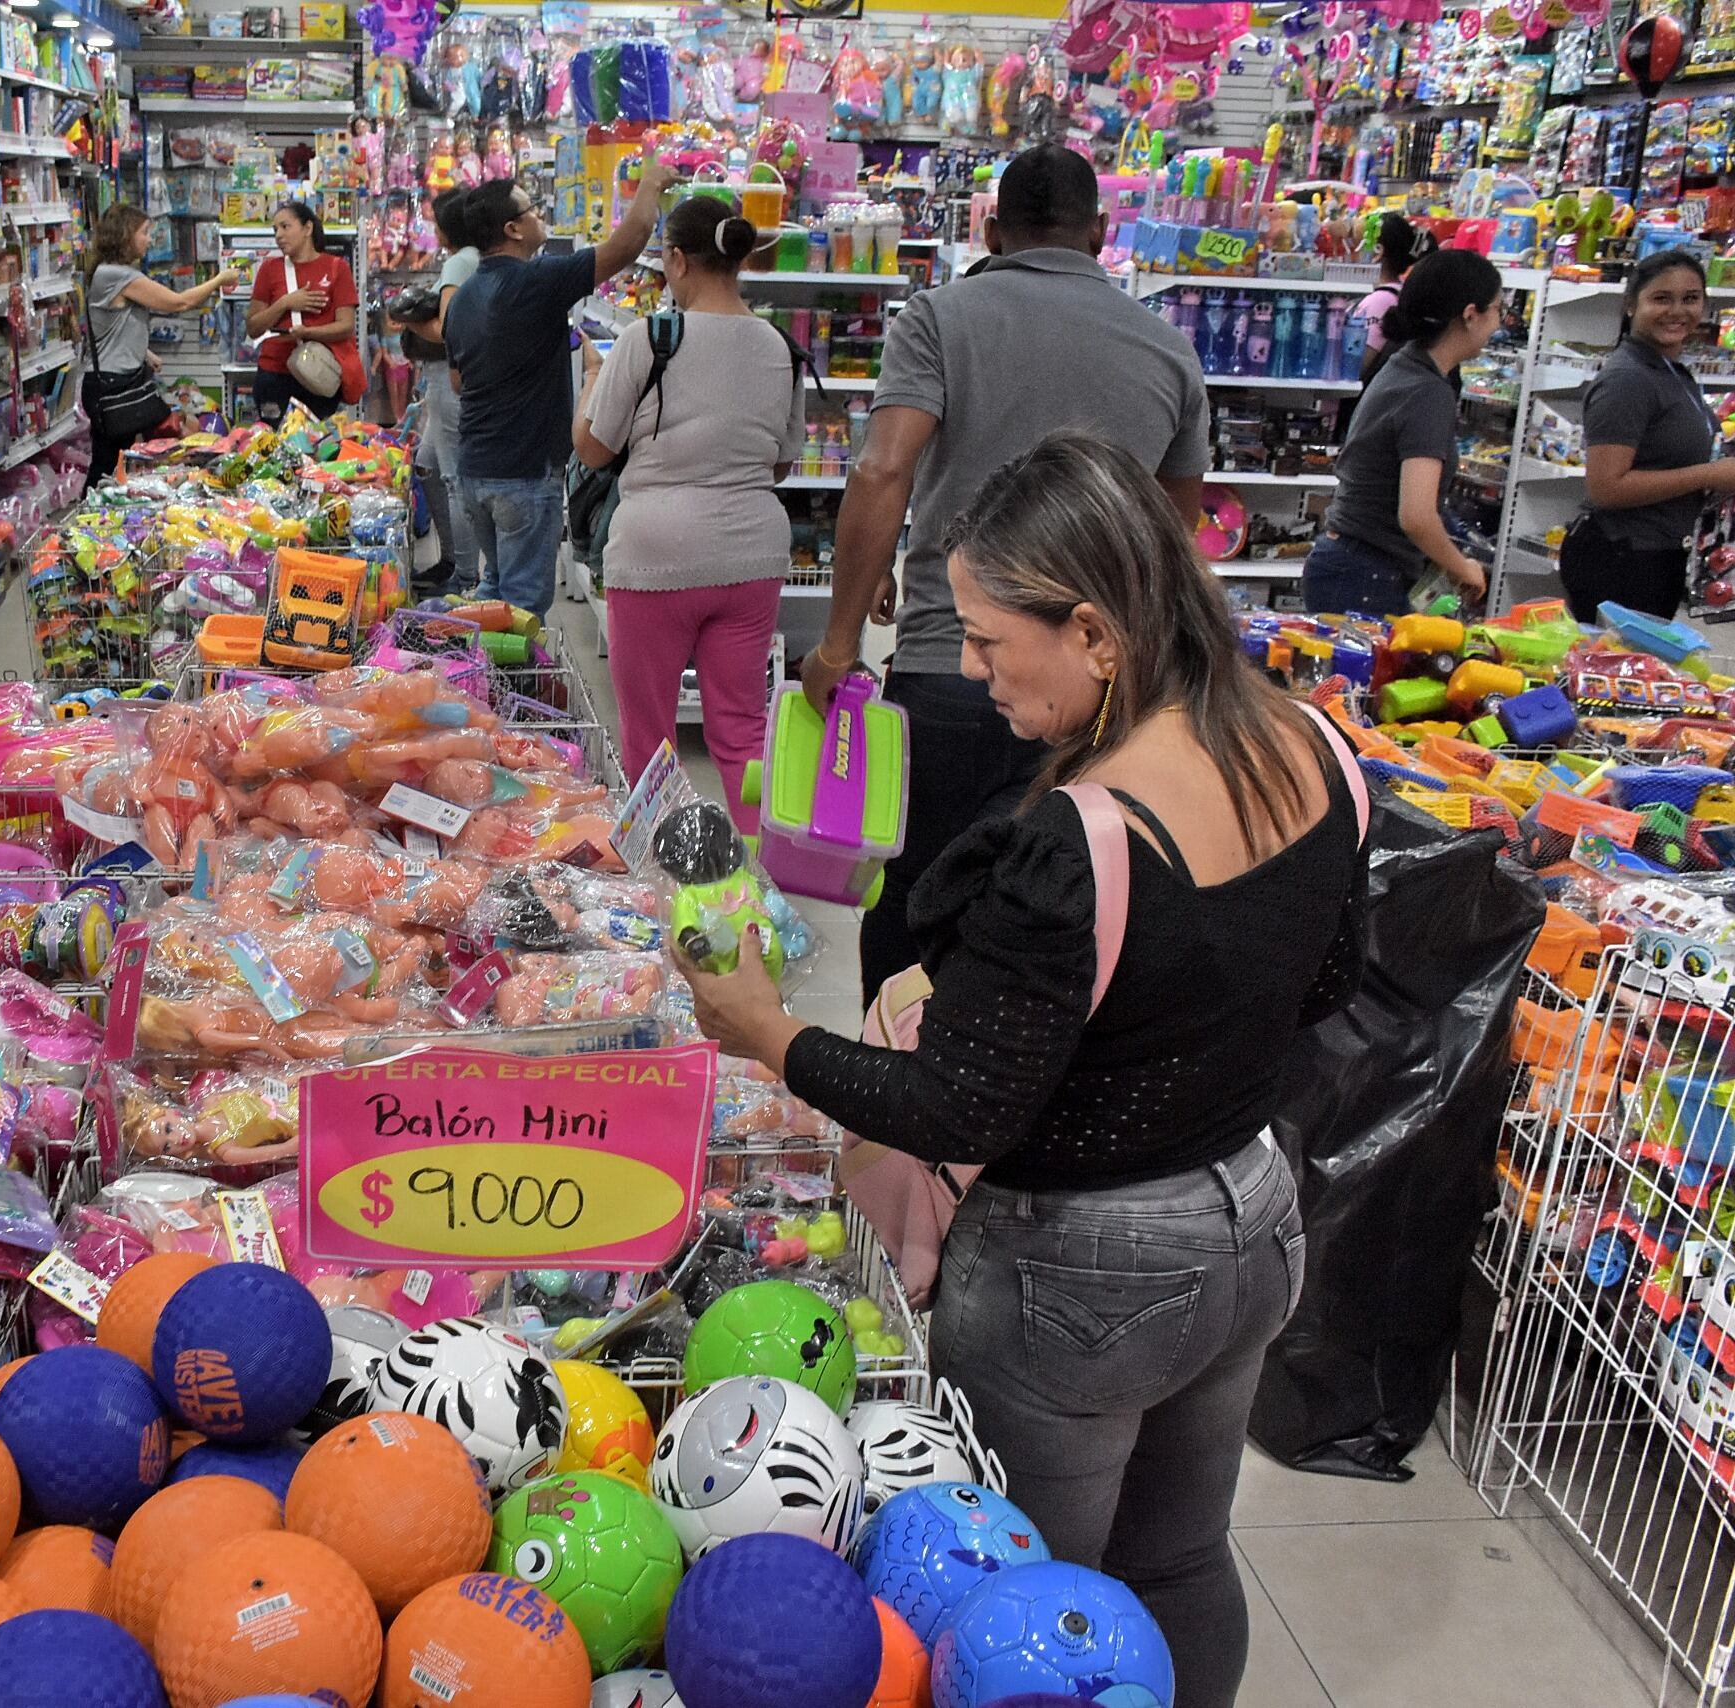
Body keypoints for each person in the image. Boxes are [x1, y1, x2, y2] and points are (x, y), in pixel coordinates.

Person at [679, 432, 1365, 1708]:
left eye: (992, 639)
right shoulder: (1314, 744)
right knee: (1181, 1555)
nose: (967, 667)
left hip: (1080, 1273)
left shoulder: (1080, 837)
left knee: (1020, 1598)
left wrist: (770, 1031)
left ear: (1096, 634)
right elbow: (1321, 983)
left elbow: (956, 1109)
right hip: (1253, 1219)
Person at [803, 143, 1210, 1003]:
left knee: (911, 886)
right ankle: (1006, 1083)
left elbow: (883, 471)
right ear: (1101, 233)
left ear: (991, 228)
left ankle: (897, 1072)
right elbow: (1173, 532)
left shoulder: (941, 317)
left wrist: (838, 641)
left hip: (950, 662)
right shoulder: (1168, 350)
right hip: (1093, 685)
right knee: (1053, 898)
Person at [572, 195, 804, 827]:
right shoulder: (780, 346)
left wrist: (591, 381)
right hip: (752, 556)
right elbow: (780, 462)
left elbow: (594, 449)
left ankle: (665, 887)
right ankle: (756, 885)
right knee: (741, 730)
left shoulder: (649, 339)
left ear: (675, 259)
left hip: (656, 555)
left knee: (650, 735)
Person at [441, 138, 673, 616]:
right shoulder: (537, 280)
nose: (538, 215)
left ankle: (474, 683)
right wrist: (650, 184)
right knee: (523, 607)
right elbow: (625, 247)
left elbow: (459, 383)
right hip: (523, 473)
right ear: (514, 229)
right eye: (532, 209)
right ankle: (504, 689)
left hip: (475, 469)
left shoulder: (461, 297)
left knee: (495, 588)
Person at [1301, 249, 1502, 617]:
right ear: (1471, 315)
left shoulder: (1405, 367)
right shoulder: (1427, 392)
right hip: (1367, 574)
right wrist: (1463, 567)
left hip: (1350, 563)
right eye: (1497, 311)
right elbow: (1417, 516)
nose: (1499, 324)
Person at [1562, 249, 1735, 622]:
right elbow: (1606, 487)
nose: (1677, 311)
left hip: (1656, 557)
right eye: (1661, 298)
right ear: (1630, 305)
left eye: (1690, 299)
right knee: (1611, 675)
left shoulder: (1668, 370)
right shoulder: (1629, 379)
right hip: (1621, 558)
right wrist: (1710, 474)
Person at [82, 204, 242, 482]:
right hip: (113, 386)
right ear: (125, 235)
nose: (150, 239)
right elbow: (178, 302)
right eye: (144, 232)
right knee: (111, 461)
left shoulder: (107, 273)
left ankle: (101, 511)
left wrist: (143, 352)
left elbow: (109, 326)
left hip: (114, 382)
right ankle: (91, 515)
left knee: (112, 459)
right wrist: (219, 279)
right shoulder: (119, 276)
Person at [390, 186, 486, 597]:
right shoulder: (477, 260)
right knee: (427, 464)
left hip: (452, 379)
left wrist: (409, 321)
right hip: (456, 379)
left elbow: (448, 330)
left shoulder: (460, 264)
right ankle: (452, 558)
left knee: (452, 478)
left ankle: (464, 577)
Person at [245, 201, 364, 422]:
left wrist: (307, 333)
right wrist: (285, 303)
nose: (278, 235)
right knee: (272, 443)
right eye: (275, 230)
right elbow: (253, 327)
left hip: (316, 374)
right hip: (274, 373)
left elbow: (346, 326)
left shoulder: (337, 267)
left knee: (318, 445)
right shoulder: (269, 269)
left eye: (285, 226)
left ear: (307, 228)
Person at [1354, 213, 1432, 382]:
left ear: (1378, 251)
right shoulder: (1403, 294)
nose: (1352, 252)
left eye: (1356, 244)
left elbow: (1355, 367)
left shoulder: (1378, 301)